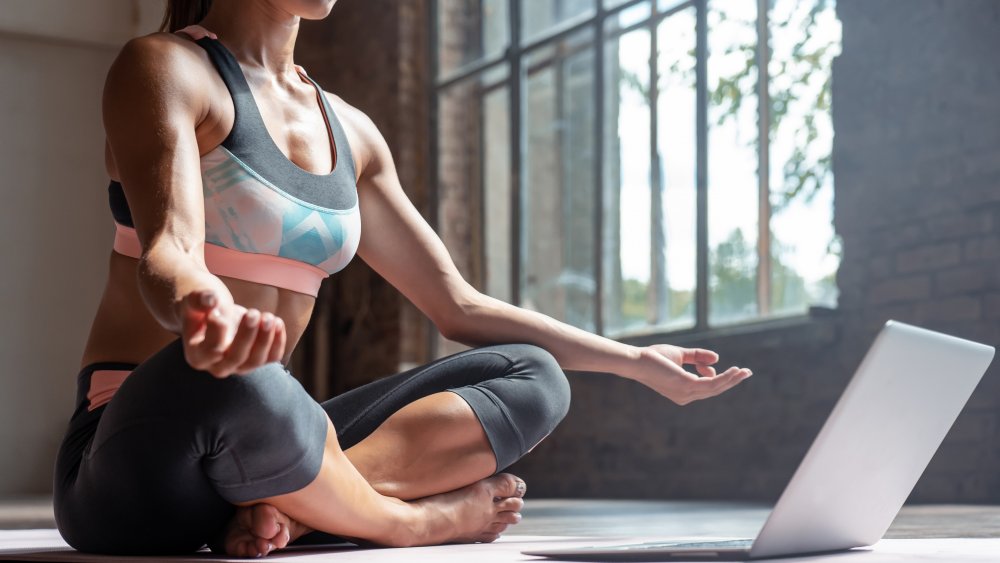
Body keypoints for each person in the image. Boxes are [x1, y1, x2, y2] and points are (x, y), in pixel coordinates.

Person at [52, 0, 752, 557]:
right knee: (245, 377)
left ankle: (290, 512)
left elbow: (457, 304)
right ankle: (406, 523)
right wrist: (207, 311)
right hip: (137, 458)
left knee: (534, 374)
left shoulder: (352, 132)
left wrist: (635, 362)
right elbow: (168, 251)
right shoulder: (165, 67)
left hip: (271, 446)